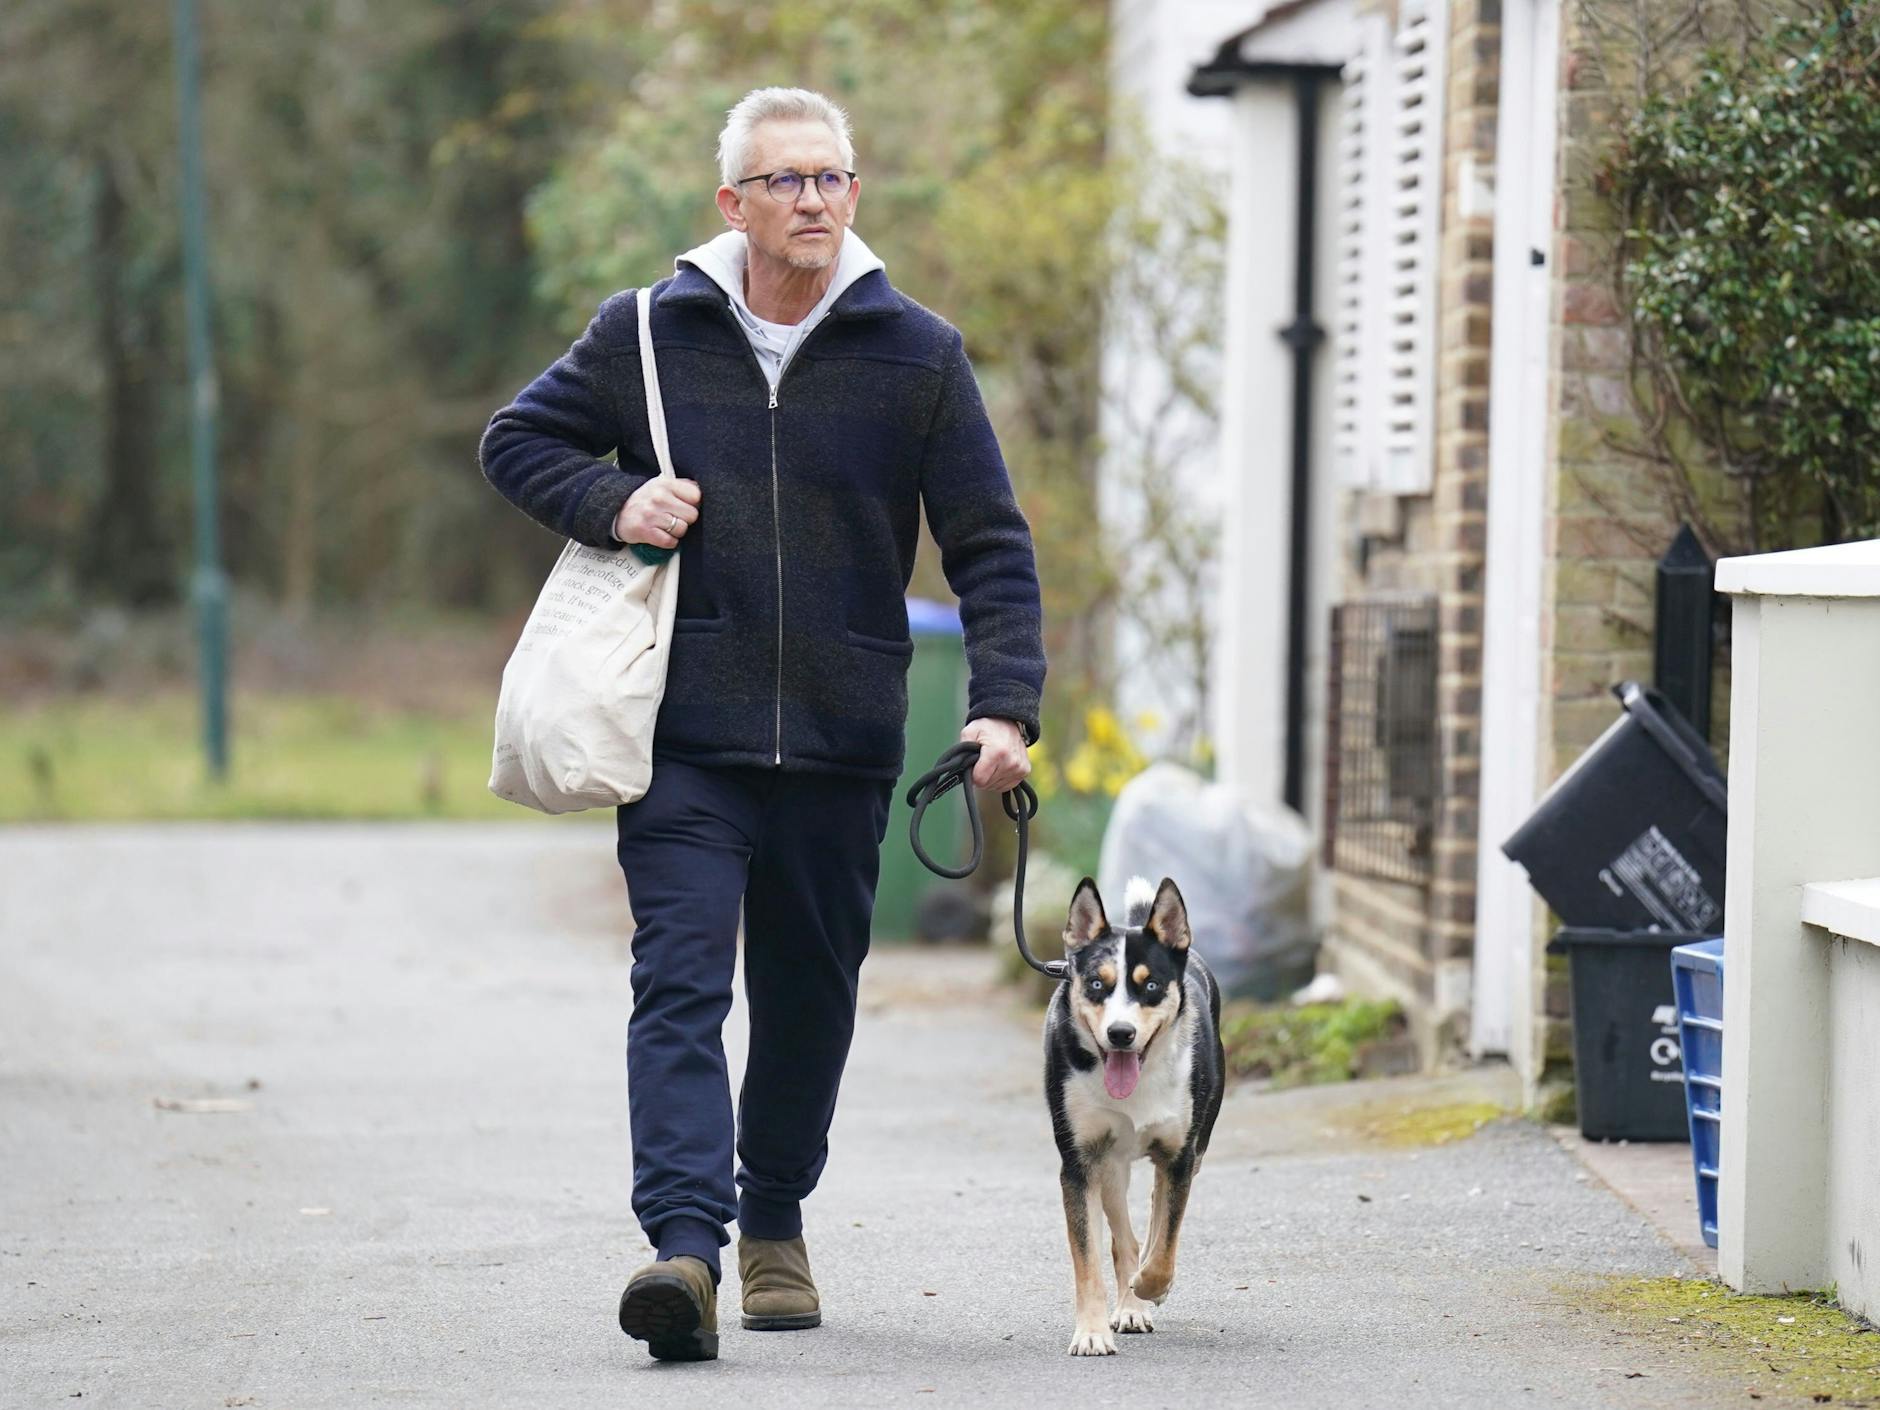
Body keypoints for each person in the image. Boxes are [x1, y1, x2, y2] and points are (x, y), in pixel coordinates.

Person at [478, 86, 1046, 1362]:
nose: (812, 201)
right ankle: (685, 1249)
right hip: (683, 732)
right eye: (784, 181)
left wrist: (1003, 702)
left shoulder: (918, 354)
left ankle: (774, 1209)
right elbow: (515, 441)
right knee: (676, 983)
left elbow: (989, 546)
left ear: (855, 194)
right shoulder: (641, 334)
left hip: (846, 740)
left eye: (831, 179)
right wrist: (615, 503)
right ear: (730, 203)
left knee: (808, 996)